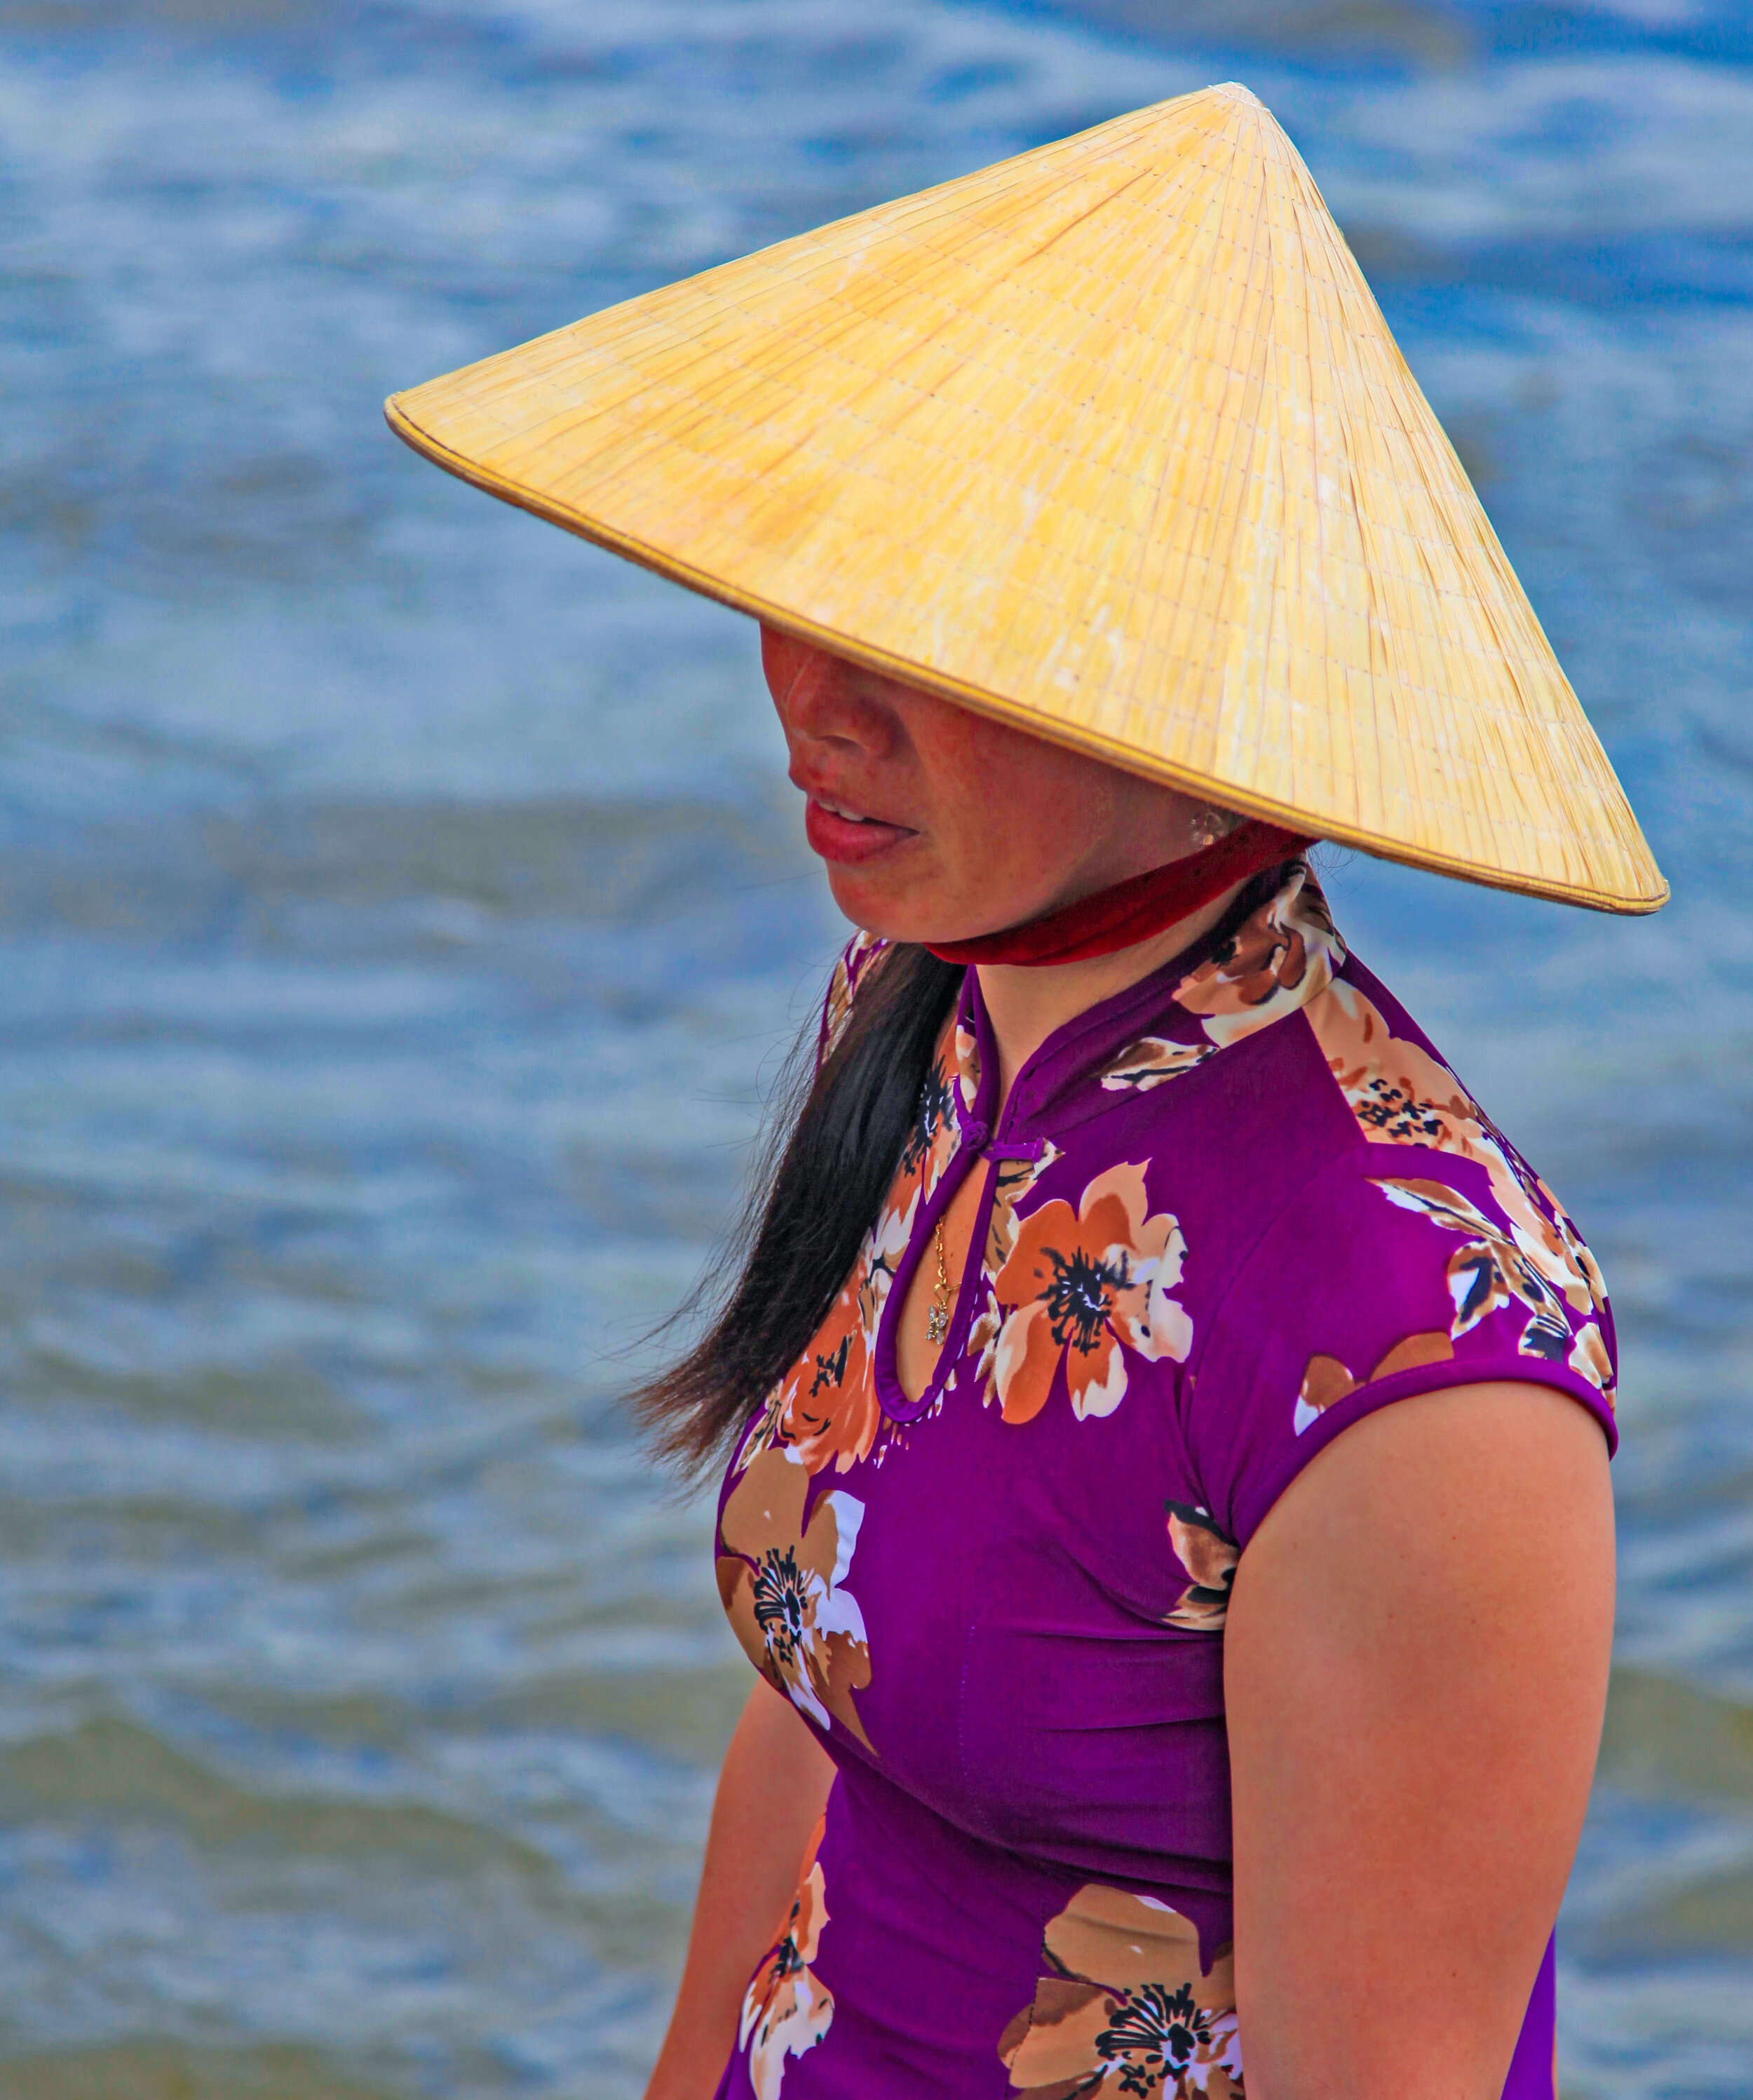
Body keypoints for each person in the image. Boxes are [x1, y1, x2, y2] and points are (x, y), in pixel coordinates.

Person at [387, 80, 1665, 2100]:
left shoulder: (1419, 1345)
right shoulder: (916, 1018)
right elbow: (828, 1707)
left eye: (945, 639)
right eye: (806, 583)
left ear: (1212, 705)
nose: (815, 692)